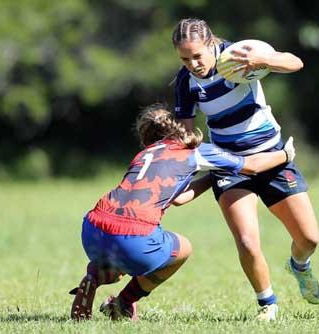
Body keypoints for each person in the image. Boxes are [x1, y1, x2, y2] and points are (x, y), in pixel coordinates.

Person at [69, 104, 297, 321]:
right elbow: (252, 165)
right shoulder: (194, 150)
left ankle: (95, 275)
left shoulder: (144, 155)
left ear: (146, 137)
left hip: (92, 228)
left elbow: (178, 197)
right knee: (182, 249)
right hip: (134, 236)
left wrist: (211, 177)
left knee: (122, 256)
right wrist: (285, 155)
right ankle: (124, 303)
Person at [171, 18, 319, 321]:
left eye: (197, 56)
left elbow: (295, 63)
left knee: (309, 239)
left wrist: (262, 59)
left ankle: (299, 266)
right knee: (247, 241)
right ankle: (267, 304)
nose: (193, 64)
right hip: (230, 165)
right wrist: (188, 155)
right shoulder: (186, 82)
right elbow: (186, 134)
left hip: (272, 157)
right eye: (185, 59)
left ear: (211, 44)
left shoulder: (238, 54)